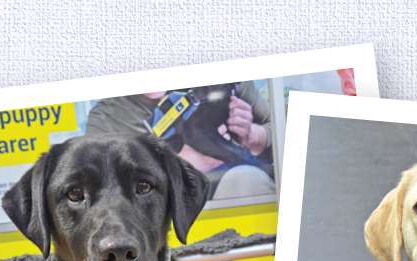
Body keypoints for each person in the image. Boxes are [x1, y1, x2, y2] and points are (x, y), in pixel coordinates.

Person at [84, 82, 275, 200]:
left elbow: (279, 130)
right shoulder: (106, 118)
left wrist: (254, 136)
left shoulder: (224, 76)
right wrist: (182, 167)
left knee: (247, 179)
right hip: (166, 217)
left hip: (240, 195)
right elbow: (104, 193)